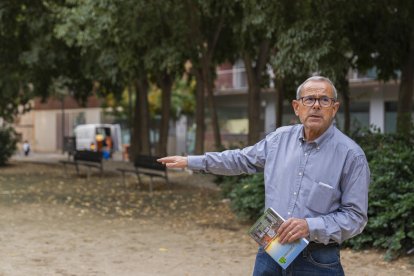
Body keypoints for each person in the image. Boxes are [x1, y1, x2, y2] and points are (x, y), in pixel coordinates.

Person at [158, 76, 370, 275]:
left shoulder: (351, 156)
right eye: (309, 99)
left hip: (318, 260)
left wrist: (310, 226)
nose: (316, 105)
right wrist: (191, 161)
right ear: (297, 107)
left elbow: (355, 217)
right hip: (272, 247)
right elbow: (240, 159)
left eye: (324, 100)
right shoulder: (279, 140)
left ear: (334, 108)